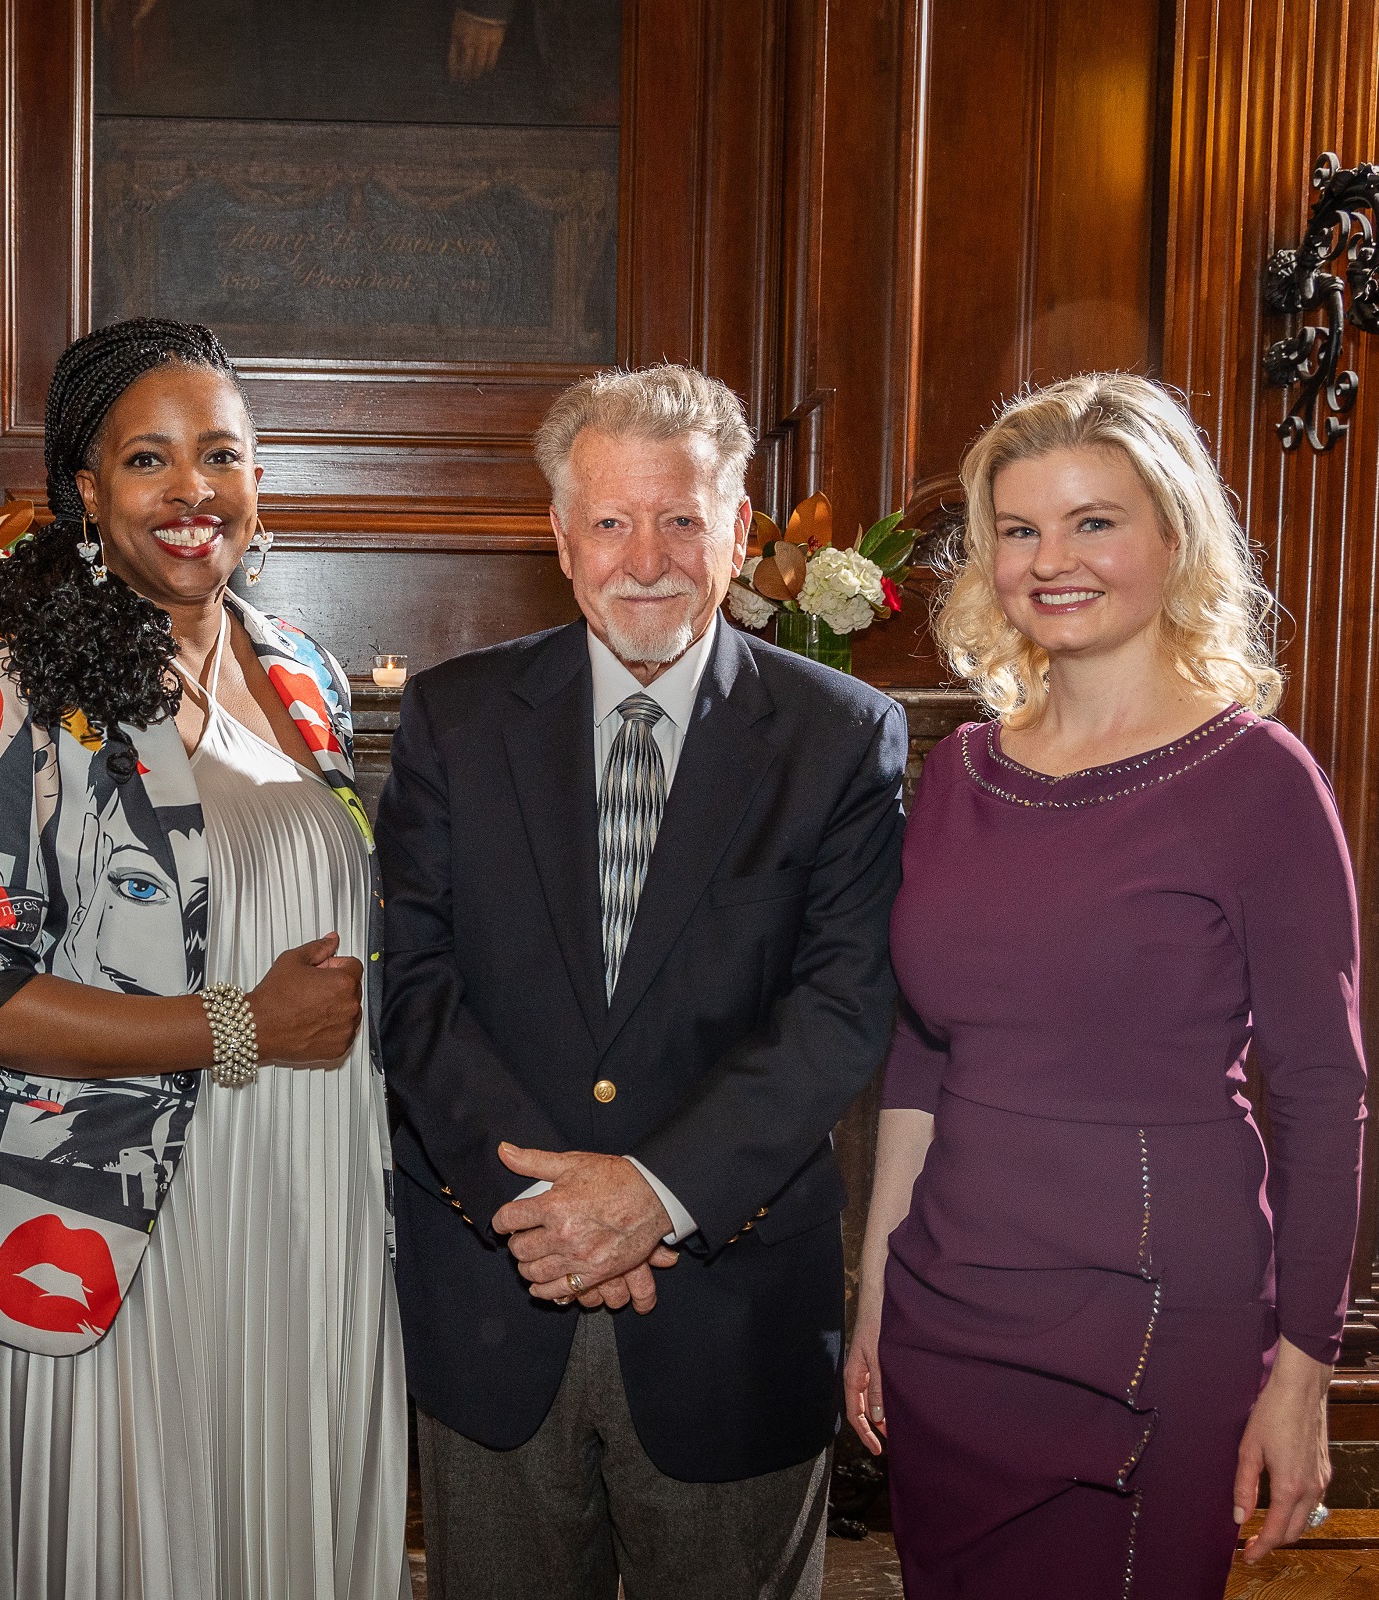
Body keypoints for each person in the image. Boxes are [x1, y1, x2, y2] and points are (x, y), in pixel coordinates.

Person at [0, 317, 409, 1600]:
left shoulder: (303, 678)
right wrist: (241, 1025)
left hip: (301, 1201)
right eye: (150, 459)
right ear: (85, 489)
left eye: (222, 455)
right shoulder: (7, 686)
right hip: (97, 1216)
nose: (195, 491)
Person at [378, 364, 908, 1599]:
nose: (648, 557)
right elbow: (415, 988)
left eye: (683, 519)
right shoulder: (456, 719)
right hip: (499, 1301)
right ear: (562, 540)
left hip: (728, 1315)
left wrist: (655, 1195)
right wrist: (558, 1216)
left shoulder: (840, 737)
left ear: (739, 530)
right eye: (612, 522)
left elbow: (839, 1008)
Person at [844, 372, 1367, 1597]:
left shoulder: (1261, 780)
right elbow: (922, 1056)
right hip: (948, 1311)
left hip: (1155, 1315)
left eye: (1095, 522)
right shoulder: (963, 770)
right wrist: (875, 1293)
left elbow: (1324, 1088)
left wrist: (1305, 1372)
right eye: (1020, 529)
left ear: (1173, 535)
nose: (1052, 561)